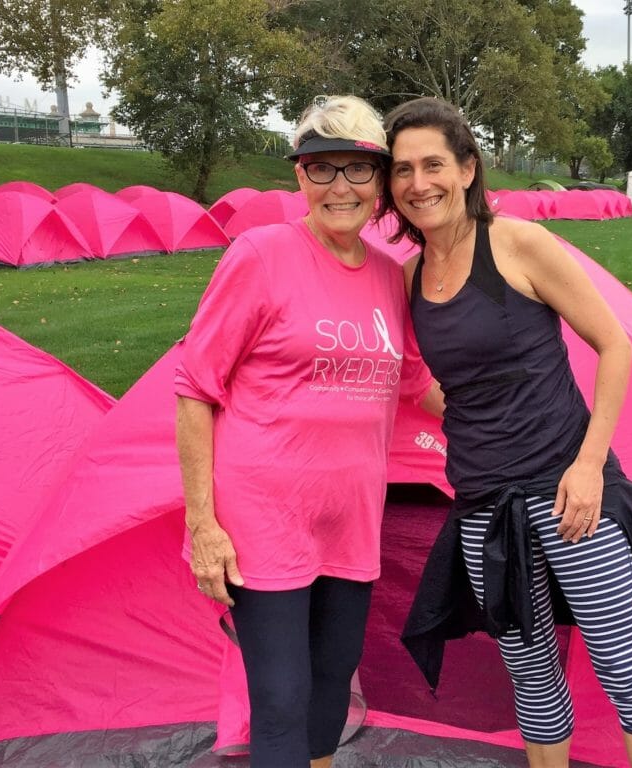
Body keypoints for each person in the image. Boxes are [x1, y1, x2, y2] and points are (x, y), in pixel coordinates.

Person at [378, 97, 632, 768]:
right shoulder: (408, 278)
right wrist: (463, 411)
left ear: (468, 169)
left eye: (433, 163)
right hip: (484, 509)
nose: (417, 182)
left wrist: (589, 464)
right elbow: (446, 388)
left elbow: (615, 345)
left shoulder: (518, 243)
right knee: (533, 682)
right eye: (402, 169)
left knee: (625, 674)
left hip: (569, 498)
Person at [175, 94, 437, 768]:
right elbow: (196, 389)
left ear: (380, 182)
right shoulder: (260, 255)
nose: (340, 187)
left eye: (357, 169)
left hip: (350, 518)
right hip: (265, 519)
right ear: (300, 177)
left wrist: (515, 414)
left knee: (330, 687)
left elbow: (414, 383)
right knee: (283, 699)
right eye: (322, 168)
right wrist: (203, 526)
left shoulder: (387, 275)